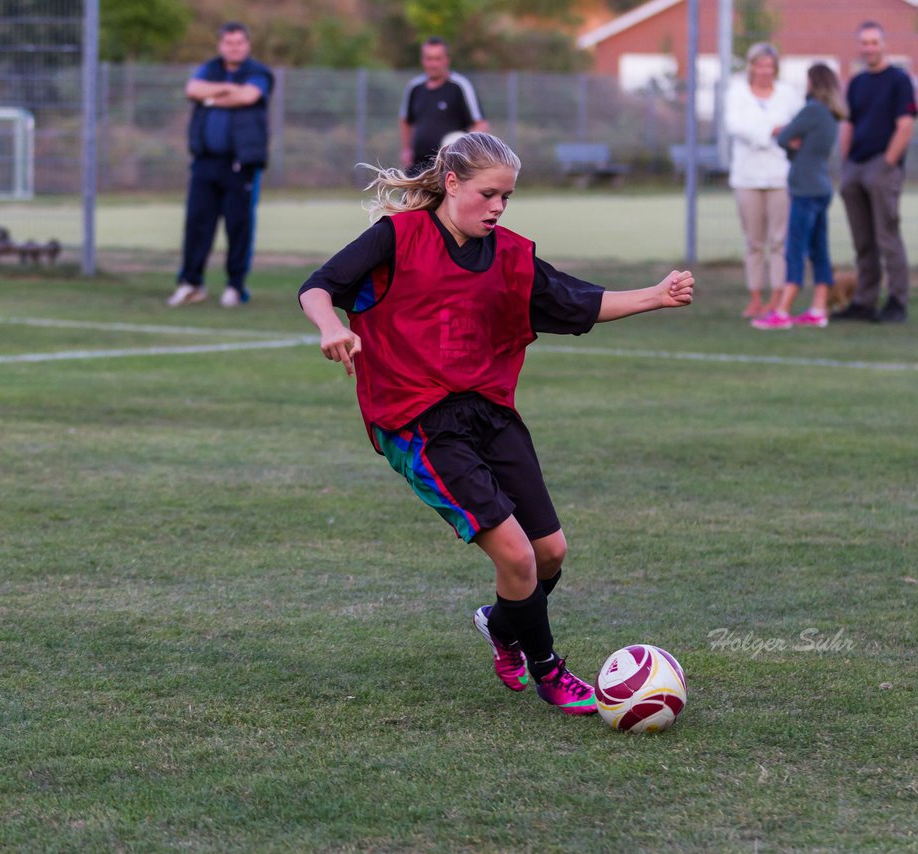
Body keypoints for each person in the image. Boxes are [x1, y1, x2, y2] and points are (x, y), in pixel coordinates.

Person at [298, 133, 694, 716]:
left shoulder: (509, 253)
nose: (498, 208)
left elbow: (576, 300)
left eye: (507, 197)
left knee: (550, 552)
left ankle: (503, 627)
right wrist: (331, 327)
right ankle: (550, 672)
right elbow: (318, 287)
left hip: (487, 409)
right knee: (516, 556)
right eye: (488, 194)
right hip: (417, 421)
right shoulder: (398, 237)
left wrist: (654, 297)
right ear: (452, 183)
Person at [168, 22, 274, 309]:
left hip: (241, 165)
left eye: (239, 42)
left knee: (238, 226)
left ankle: (235, 286)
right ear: (221, 44)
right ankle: (191, 283)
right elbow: (192, 89)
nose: (234, 47)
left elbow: (248, 96)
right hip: (205, 162)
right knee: (196, 224)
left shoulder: (258, 72)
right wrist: (226, 89)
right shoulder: (210, 68)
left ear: (247, 44)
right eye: (229, 43)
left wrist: (210, 98)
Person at [833, 20, 918, 324]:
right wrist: (846, 165)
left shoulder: (899, 80)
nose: (869, 48)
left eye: (874, 42)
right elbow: (848, 124)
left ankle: (896, 301)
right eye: (864, 43)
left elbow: (905, 126)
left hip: (882, 167)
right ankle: (864, 301)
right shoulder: (856, 83)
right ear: (859, 47)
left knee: (887, 237)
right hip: (855, 167)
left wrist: (887, 164)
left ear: (884, 44)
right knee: (863, 241)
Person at [752, 64, 847, 330]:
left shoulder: (812, 110)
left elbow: (783, 136)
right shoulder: (830, 115)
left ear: (813, 83)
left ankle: (782, 311)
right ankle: (818, 309)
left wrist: (793, 142)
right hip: (822, 187)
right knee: (819, 251)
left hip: (805, 189)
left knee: (795, 250)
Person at [724, 42, 803, 319]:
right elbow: (736, 126)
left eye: (770, 65)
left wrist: (779, 134)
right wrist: (772, 131)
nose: (765, 70)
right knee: (754, 241)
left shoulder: (788, 94)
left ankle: (777, 297)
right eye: (760, 64)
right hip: (747, 177)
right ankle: (755, 297)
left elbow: (797, 126)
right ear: (751, 66)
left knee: (779, 241)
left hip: (780, 176)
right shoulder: (737, 92)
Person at [399, 37, 489, 175]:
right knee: (409, 197)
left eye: (438, 58)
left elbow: (480, 124)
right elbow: (405, 120)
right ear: (423, 60)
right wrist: (406, 150)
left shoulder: (460, 86)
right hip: (418, 166)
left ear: (447, 59)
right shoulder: (414, 87)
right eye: (429, 58)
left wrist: (469, 156)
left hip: (450, 168)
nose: (433, 64)